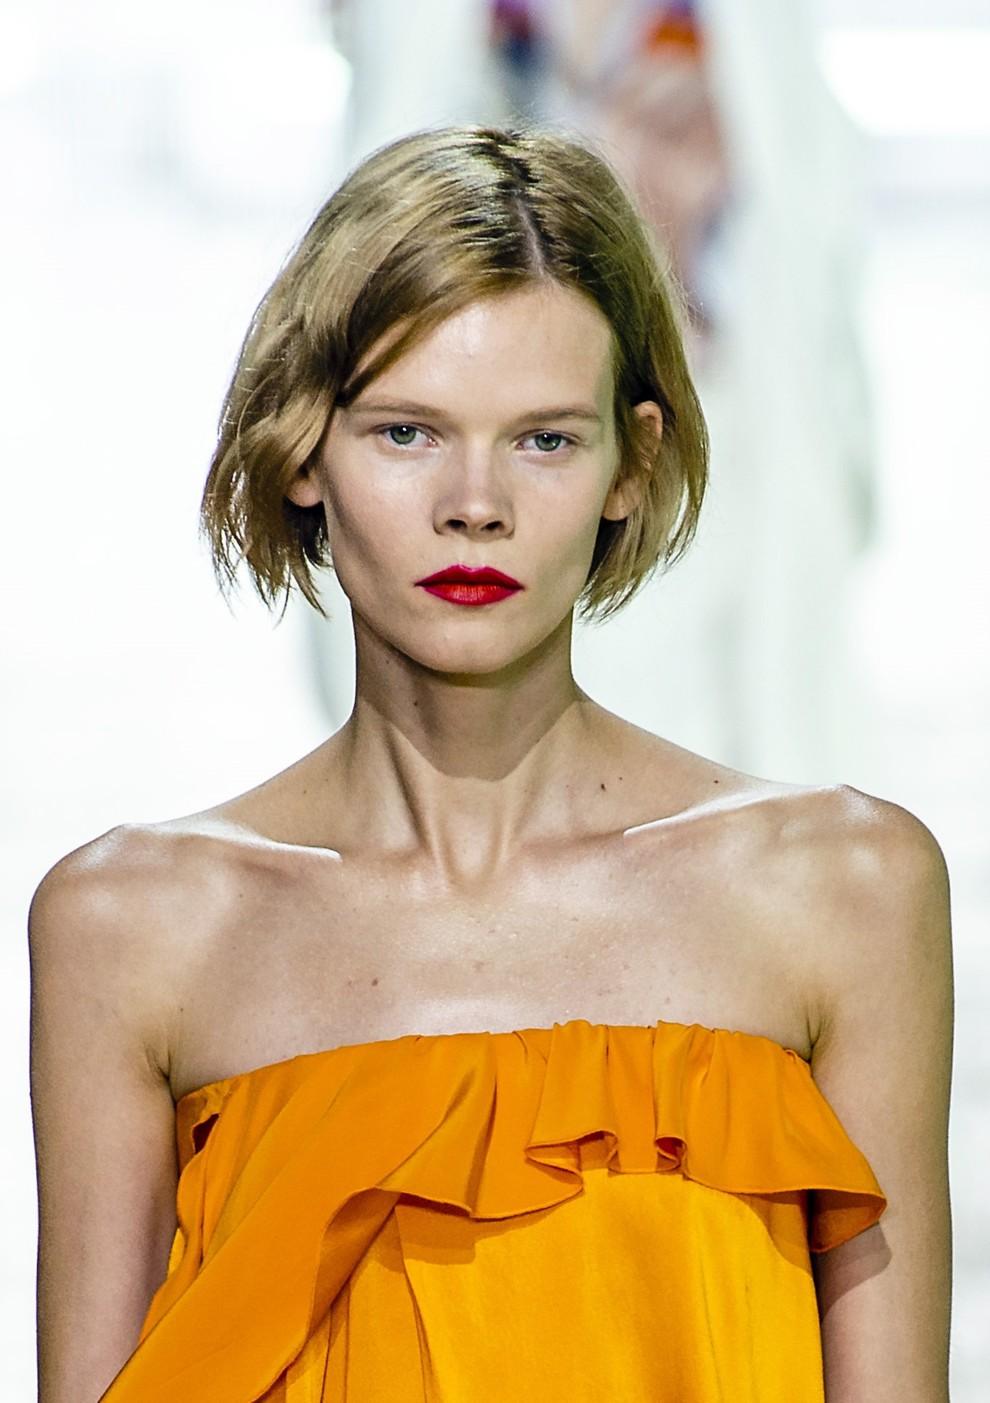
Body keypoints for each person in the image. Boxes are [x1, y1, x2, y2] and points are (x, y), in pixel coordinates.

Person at [29, 124, 952, 1402]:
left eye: (544, 439)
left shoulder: (839, 891)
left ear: (632, 462)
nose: (476, 503)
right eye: (408, 432)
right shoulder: (134, 927)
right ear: (302, 450)